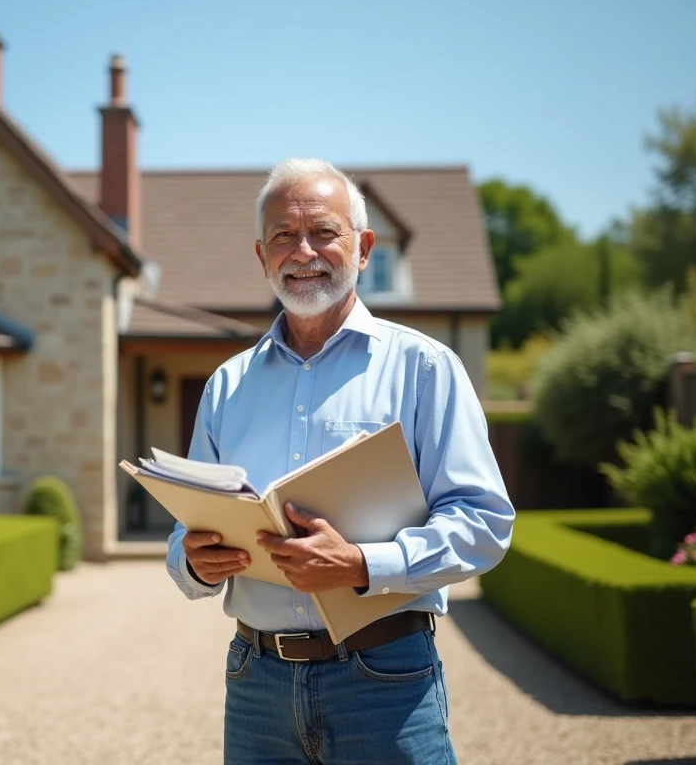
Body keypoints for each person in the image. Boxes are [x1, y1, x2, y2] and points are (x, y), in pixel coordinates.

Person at [165, 158, 515, 765]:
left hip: (385, 682)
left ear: (363, 248)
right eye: (282, 236)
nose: (303, 251)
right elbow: (182, 538)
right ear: (261, 256)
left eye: (324, 231)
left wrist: (359, 564)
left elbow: (485, 525)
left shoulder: (424, 369)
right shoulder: (226, 386)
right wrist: (194, 561)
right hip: (256, 684)